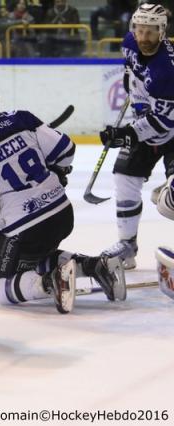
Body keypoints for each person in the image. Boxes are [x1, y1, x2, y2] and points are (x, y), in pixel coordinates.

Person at [0, 82, 126, 314]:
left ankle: (50, 282)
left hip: (22, 227)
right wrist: (55, 171)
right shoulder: (22, 119)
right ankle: (96, 266)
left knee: (1, 289)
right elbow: (66, 150)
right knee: (36, 257)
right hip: (61, 213)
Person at [100, 3, 174, 270]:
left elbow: (164, 121)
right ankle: (127, 247)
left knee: (171, 204)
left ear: (162, 31)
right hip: (148, 124)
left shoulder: (166, 70)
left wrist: (127, 133)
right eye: (139, 30)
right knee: (124, 178)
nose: (143, 38)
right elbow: (130, 70)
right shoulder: (130, 42)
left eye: (150, 32)